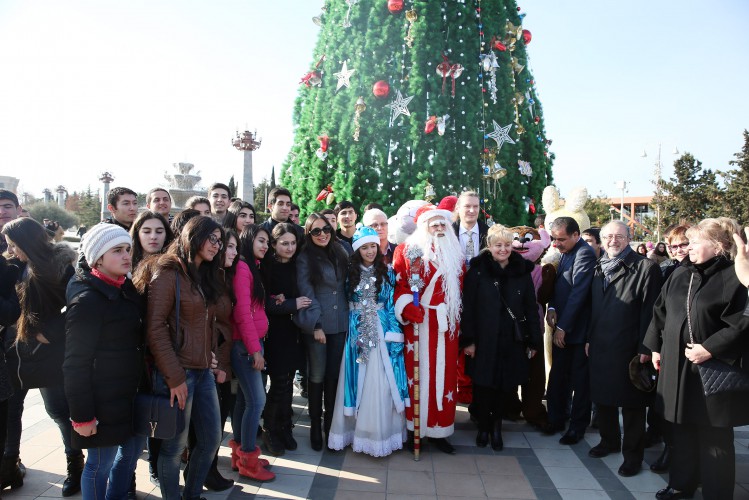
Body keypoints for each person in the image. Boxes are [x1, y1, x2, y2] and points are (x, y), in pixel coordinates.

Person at [644, 218, 749, 500]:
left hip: (711, 369)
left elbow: (742, 322)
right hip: (676, 367)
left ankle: (717, 492)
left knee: (715, 438)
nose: (688, 249)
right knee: (680, 430)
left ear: (719, 246)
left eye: (695, 243)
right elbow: (660, 311)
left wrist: (711, 348)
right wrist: (655, 347)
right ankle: (681, 484)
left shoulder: (735, 276)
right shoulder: (681, 273)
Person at [146, 216, 228, 500]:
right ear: (194, 237)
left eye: (221, 241)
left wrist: (213, 356)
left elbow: (209, 322)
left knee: (211, 439)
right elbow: (154, 328)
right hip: (177, 374)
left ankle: (192, 495)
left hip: (203, 371)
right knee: (173, 448)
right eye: (212, 239)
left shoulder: (203, 274)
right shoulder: (167, 272)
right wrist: (174, 377)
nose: (217, 246)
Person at [1, 217, 84, 496]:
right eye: (8, 246)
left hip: (49, 355)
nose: (11, 251)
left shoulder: (60, 266)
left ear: (28, 241)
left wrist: (47, 332)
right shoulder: (12, 267)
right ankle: (9, 466)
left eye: (14, 245)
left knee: (59, 412)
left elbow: (76, 310)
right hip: (15, 352)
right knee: (11, 411)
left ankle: (76, 467)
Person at [64, 223, 146, 500]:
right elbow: (75, 364)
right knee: (100, 465)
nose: (126, 256)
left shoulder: (127, 289)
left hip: (131, 395)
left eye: (128, 250)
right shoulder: (87, 301)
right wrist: (82, 416)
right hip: (102, 399)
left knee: (130, 456)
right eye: (117, 251)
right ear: (98, 258)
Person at [585, 221, 661, 478]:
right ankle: (608, 441)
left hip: (630, 347)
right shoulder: (598, 266)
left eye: (619, 236)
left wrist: (646, 347)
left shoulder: (645, 267)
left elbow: (651, 311)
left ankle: (633, 456)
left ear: (629, 238)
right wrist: (588, 338)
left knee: (632, 406)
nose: (612, 241)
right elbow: (591, 307)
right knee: (603, 397)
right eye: (607, 236)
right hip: (600, 344)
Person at [328, 226, 408, 456]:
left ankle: (383, 433)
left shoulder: (388, 271)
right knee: (357, 379)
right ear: (357, 250)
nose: (370, 251)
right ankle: (356, 433)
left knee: (382, 382)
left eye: (373, 246)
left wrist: (394, 333)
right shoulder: (348, 273)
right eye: (365, 247)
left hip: (382, 330)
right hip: (357, 331)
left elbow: (392, 305)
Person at [461, 224, 541, 451]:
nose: (503, 249)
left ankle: (496, 427)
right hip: (483, 339)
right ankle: (483, 427)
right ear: (489, 246)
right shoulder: (477, 271)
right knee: (483, 385)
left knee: (504, 386)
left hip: (511, 340)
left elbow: (530, 308)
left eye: (507, 245)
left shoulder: (522, 271)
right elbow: (468, 308)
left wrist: (533, 340)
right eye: (498, 245)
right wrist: (468, 340)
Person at [392, 204, 463, 454]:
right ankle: (416, 429)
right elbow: (398, 286)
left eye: (443, 224)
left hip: (446, 326)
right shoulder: (407, 251)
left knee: (445, 379)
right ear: (424, 227)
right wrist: (407, 308)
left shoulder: (456, 254)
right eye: (434, 224)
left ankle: (440, 430)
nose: (439, 228)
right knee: (418, 377)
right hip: (419, 324)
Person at [295, 214, 349, 451]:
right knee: (316, 376)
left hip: (341, 323)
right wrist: (316, 325)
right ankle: (315, 426)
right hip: (318, 325)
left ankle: (331, 425)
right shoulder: (305, 258)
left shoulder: (341, 251)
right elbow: (307, 293)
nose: (322, 234)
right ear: (308, 234)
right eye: (316, 231)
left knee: (334, 377)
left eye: (325, 229)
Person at [543, 216, 595, 444]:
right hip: (562, 326)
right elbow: (559, 284)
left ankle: (576, 426)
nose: (556, 244)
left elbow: (578, 293)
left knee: (580, 382)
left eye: (561, 239)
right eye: (553, 239)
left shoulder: (584, 254)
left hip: (577, 330)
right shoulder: (565, 252)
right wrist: (552, 306)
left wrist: (563, 327)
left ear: (576, 235)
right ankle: (556, 419)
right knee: (557, 377)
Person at [229, 224, 274, 481]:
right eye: (261, 240)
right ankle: (248, 459)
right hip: (245, 346)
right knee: (257, 401)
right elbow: (242, 313)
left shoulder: (251, 267)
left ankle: (241, 455)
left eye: (267, 241)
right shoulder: (243, 268)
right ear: (249, 240)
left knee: (245, 401)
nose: (265, 245)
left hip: (251, 343)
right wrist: (255, 350)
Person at [260, 223, 309, 456]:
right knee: (278, 383)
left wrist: (288, 302)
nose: (289, 247)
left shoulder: (298, 265)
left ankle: (285, 427)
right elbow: (265, 304)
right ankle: (270, 428)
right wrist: (291, 303)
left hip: (294, 331)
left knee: (288, 382)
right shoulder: (267, 267)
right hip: (275, 333)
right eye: (284, 243)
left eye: (292, 243)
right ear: (273, 244)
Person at [452, 191, 488, 406]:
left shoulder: (489, 232)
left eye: (475, 206)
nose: (472, 210)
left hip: (481, 300)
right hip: (453, 298)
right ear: (458, 208)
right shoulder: (448, 232)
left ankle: (478, 400)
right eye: (467, 206)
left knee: (479, 351)